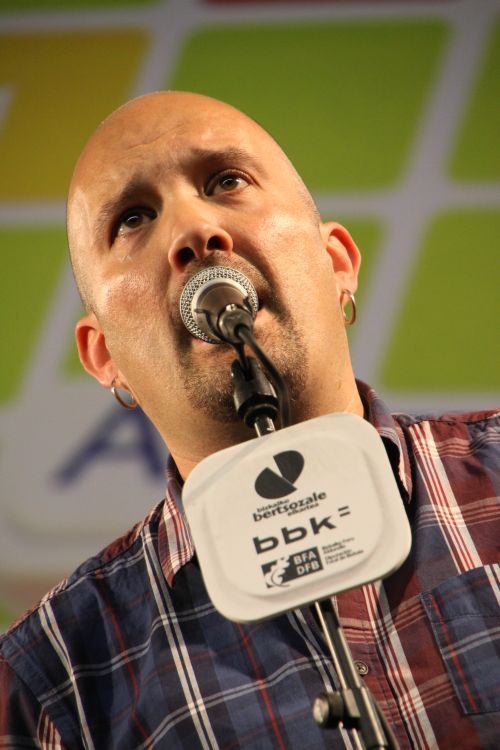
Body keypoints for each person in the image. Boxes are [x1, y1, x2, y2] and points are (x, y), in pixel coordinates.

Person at [0, 91, 498, 749]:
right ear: (104, 355)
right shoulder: (50, 682)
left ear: (337, 264)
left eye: (226, 181)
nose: (193, 231)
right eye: (133, 218)